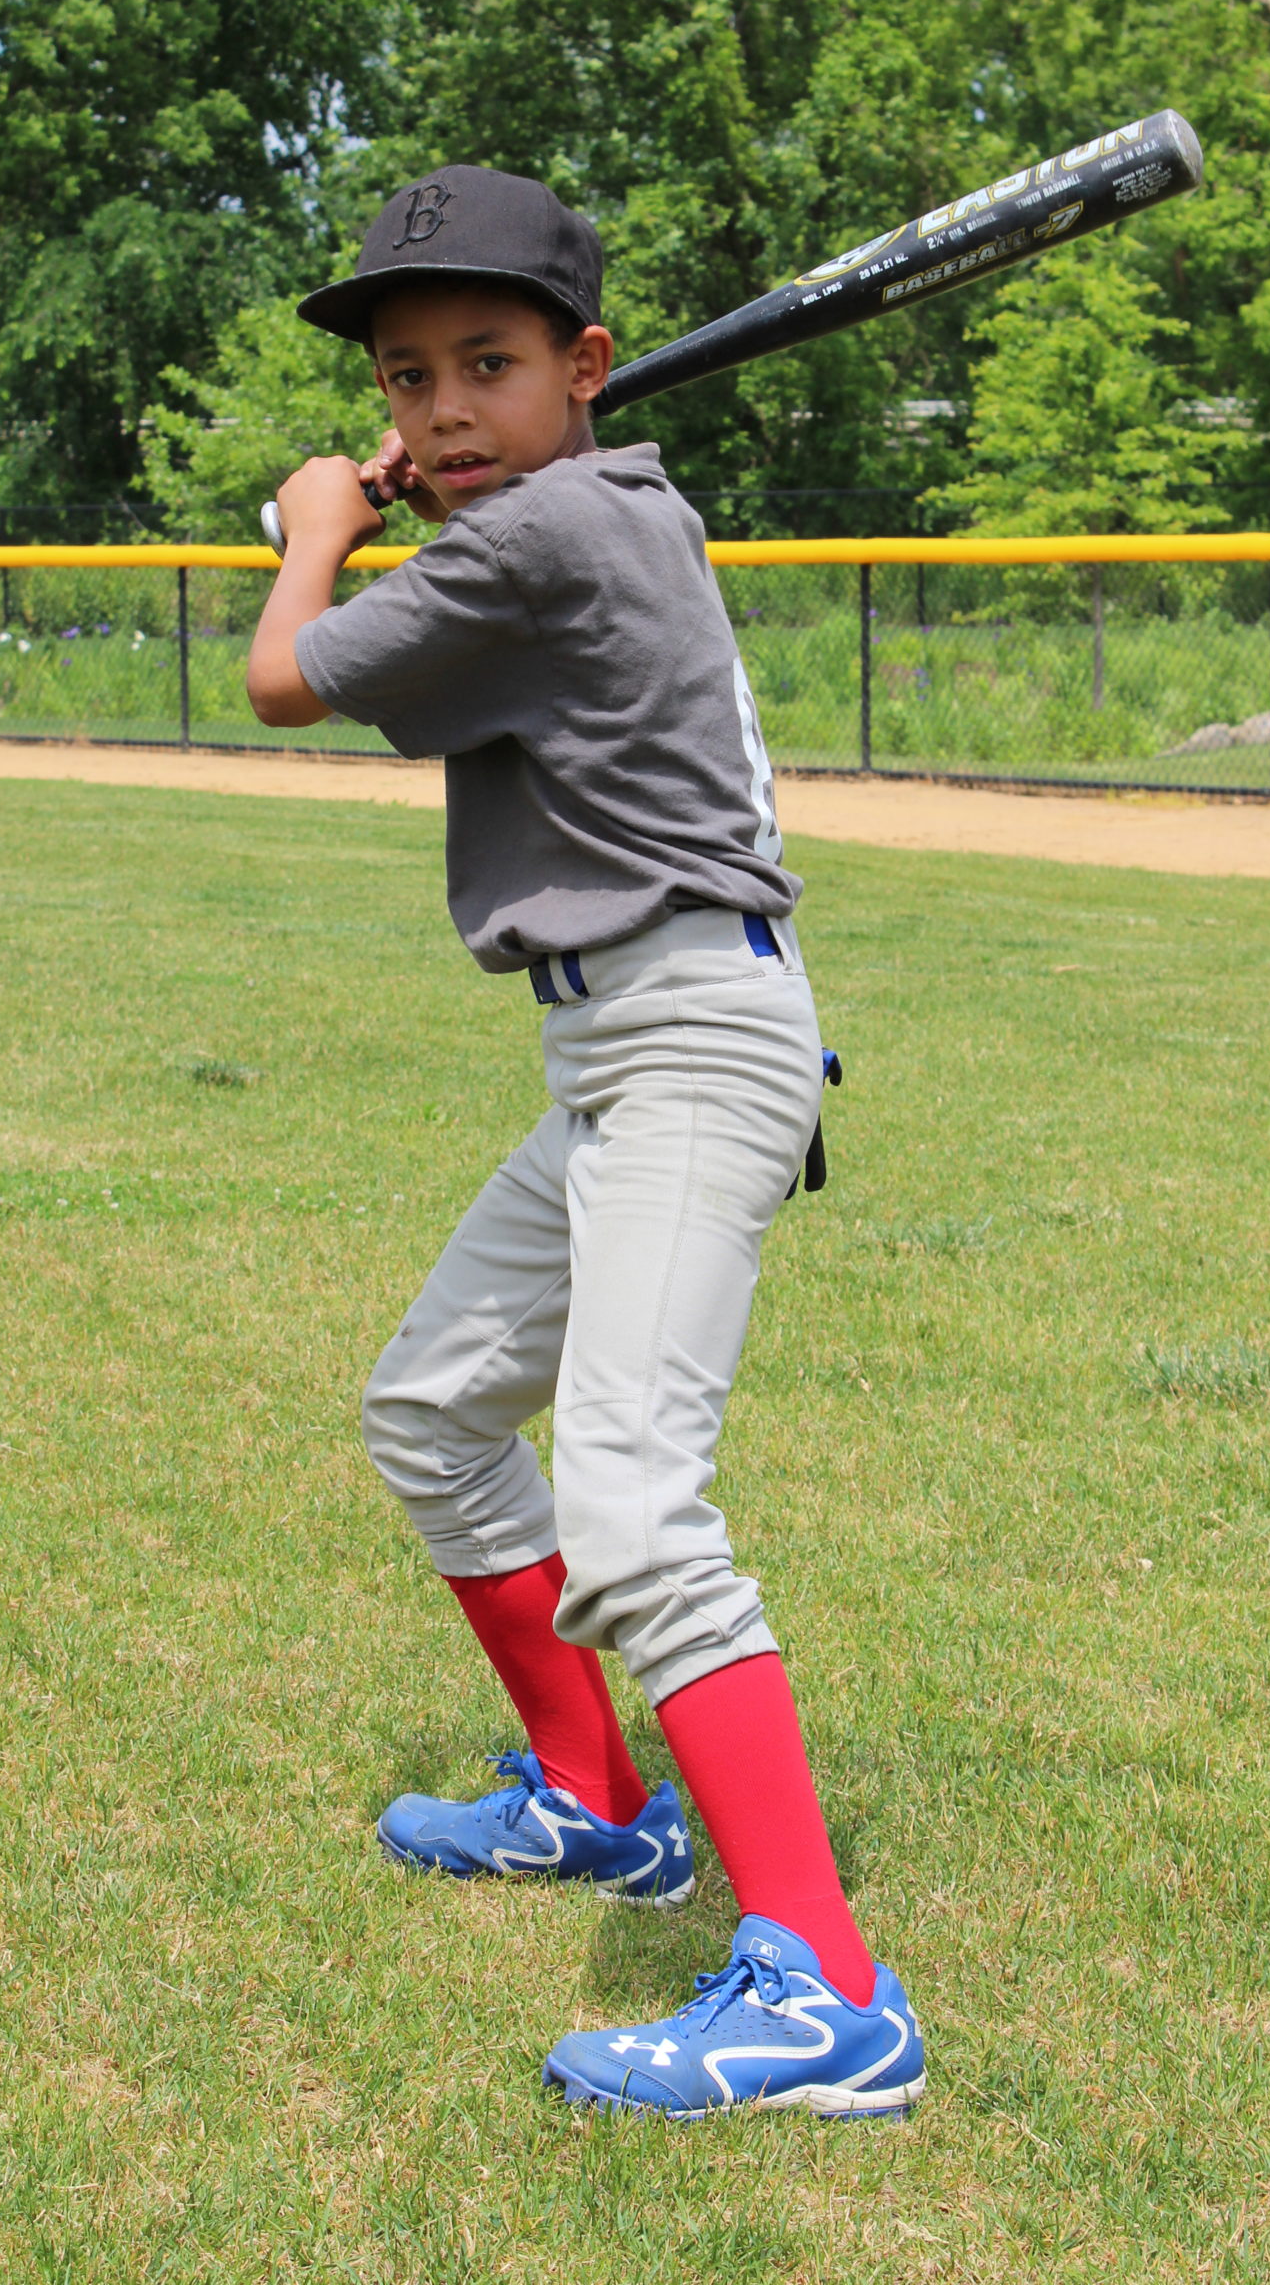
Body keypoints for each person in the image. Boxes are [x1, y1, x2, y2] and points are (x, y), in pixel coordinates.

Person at [245, 164, 925, 2121]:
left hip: (693, 1034)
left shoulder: (552, 530)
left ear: (587, 370)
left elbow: (290, 674)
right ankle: (591, 1800)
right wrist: (381, 524)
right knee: (436, 1407)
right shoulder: (560, 520)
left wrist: (313, 523)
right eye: (408, 375)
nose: (445, 406)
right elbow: (404, 685)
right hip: (615, 1046)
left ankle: (825, 1989)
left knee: (632, 1504)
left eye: (490, 362)